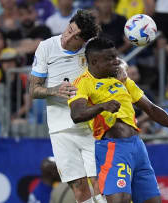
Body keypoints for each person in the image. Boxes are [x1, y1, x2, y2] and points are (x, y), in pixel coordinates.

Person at [68, 37, 168, 203]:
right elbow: (76, 115)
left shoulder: (122, 80)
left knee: (152, 201)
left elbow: (150, 108)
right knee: (119, 200)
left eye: (115, 57)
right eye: (109, 59)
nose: (116, 62)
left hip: (137, 147)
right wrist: (102, 106)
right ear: (94, 61)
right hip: (112, 147)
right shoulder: (82, 83)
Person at [29, 10, 106, 203]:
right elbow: (34, 90)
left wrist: (121, 67)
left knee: (99, 184)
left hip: (89, 127)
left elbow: (114, 64)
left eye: (75, 35)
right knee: (80, 191)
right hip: (60, 129)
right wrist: (54, 90)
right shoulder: (46, 47)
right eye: (69, 29)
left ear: (84, 40)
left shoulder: (91, 51)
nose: (68, 36)